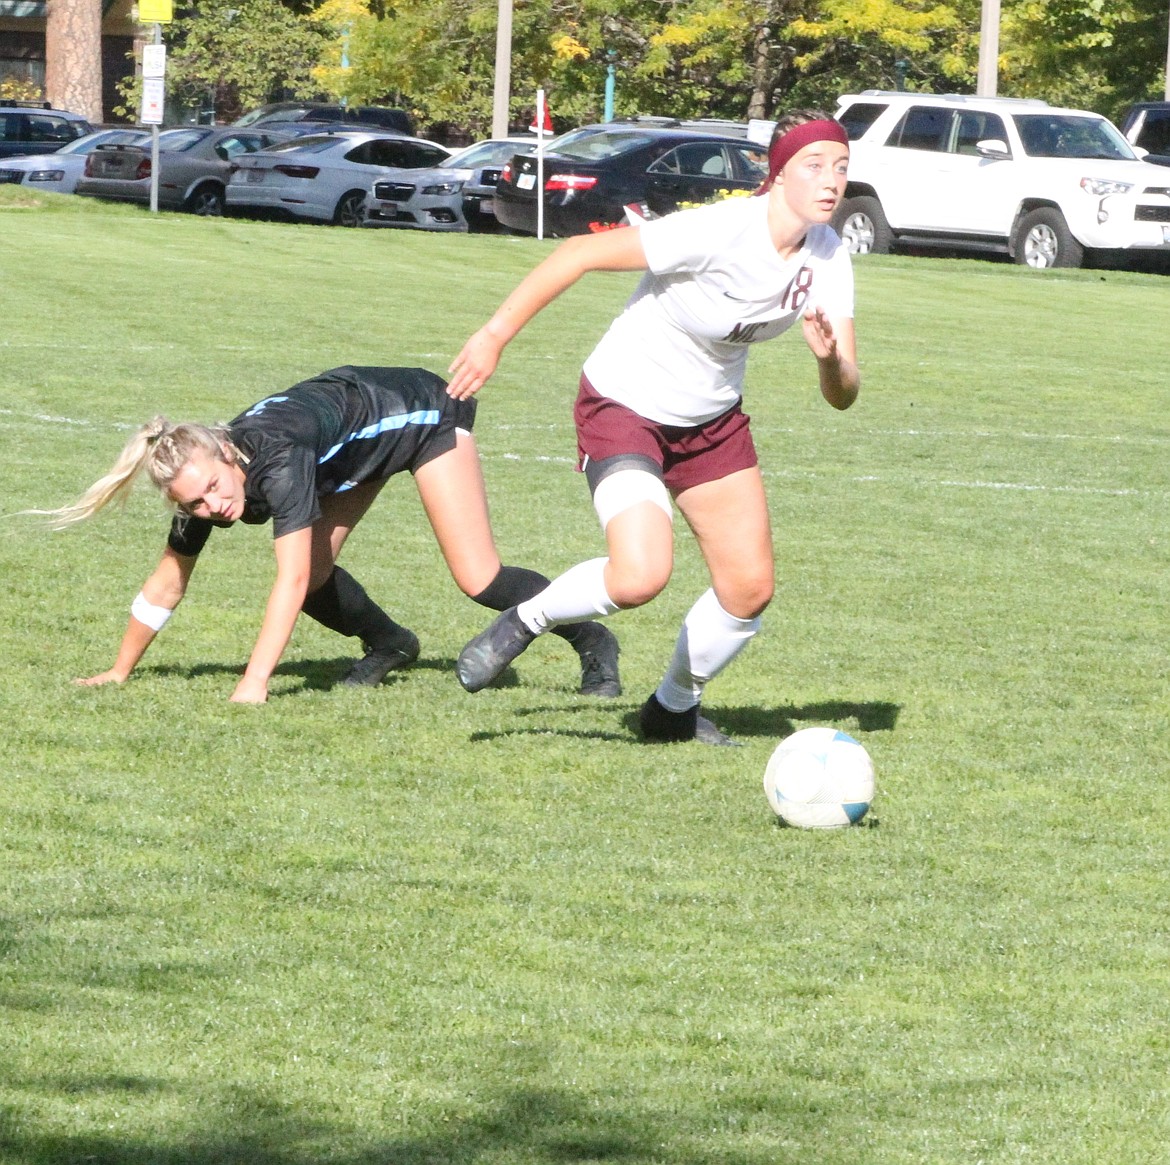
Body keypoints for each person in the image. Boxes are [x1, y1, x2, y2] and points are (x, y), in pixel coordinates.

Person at [445, 112, 859, 744]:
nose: (831, 181)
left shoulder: (828, 256)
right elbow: (578, 252)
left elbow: (844, 394)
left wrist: (830, 359)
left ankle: (670, 711)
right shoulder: (719, 230)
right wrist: (492, 336)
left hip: (712, 423)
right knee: (639, 576)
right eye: (814, 166)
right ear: (777, 176)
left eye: (841, 167)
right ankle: (525, 620)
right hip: (624, 407)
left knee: (748, 589)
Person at [46, 365, 620, 704]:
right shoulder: (201, 483)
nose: (212, 506)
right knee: (320, 572)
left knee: (478, 576)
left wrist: (254, 683)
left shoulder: (278, 460)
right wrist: (120, 671)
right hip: (349, 451)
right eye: (194, 502)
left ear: (226, 452)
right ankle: (392, 643)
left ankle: (592, 641)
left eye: (214, 488)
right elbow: (167, 583)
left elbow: (288, 579)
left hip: (421, 415)